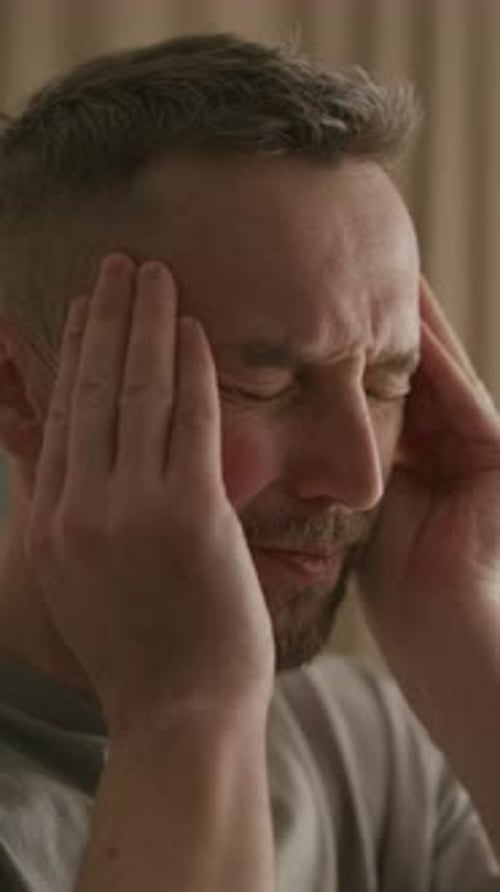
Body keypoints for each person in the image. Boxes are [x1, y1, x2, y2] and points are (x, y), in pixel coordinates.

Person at [0, 31, 498, 892]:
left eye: (388, 380)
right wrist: (182, 719)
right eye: (262, 383)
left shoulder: (369, 745)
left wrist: (463, 624)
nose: (360, 477)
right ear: (16, 389)